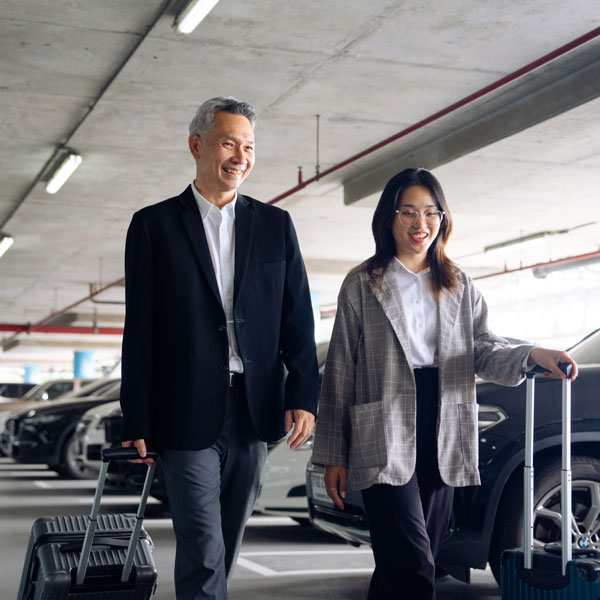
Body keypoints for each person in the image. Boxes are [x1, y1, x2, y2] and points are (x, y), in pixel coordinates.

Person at [311, 167, 578, 600]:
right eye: (409, 212)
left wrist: (532, 354)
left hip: (444, 425)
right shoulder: (362, 284)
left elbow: (484, 350)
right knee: (414, 563)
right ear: (389, 218)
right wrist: (333, 455)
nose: (421, 224)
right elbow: (340, 369)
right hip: (384, 426)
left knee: (411, 564)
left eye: (431, 213)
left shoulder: (458, 283)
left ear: (443, 218)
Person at [119, 96, 319, 600]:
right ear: (197, 145)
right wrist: (136, 417)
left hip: (254, 409)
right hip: (185, 409)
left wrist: (303, 393)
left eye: (248, 146)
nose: (240, 156)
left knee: (226, 543)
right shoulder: (154, 225)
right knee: (203, 547)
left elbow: (297, 318)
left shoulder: (276, 227)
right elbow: (140, 328)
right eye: (229, 142)